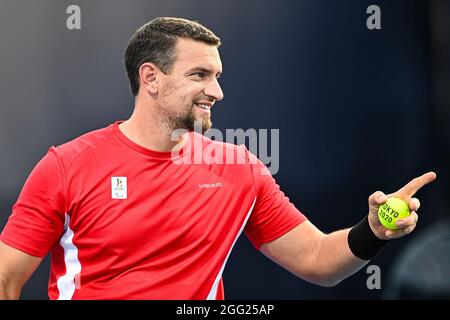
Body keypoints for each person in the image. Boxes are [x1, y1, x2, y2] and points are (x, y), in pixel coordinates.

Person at [0, 17, 436, 300]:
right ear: (150, 78)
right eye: (199, 75)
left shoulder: (240, 168)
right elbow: (6, 279)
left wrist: (373, 230)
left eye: (218, 76)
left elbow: (317, 260)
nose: (217, 91)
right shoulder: (67, 165)